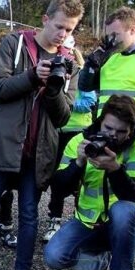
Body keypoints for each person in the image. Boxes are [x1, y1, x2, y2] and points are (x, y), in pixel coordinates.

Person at [0, 0, 84, 270]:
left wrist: (54, 89)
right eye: (58, 27)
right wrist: (32, 77)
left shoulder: (69, 63)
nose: (62, 35)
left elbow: (64, 116)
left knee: (29, 215)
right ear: (45, 19)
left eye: (69, 30)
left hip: (37, 151)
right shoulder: (14, 44)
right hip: (2, 145)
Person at [44, 95, 135, 270]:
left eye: (121, 132)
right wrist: (78, 163)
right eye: (108, 128)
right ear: (100, 121)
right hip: (89, 222)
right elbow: (58, 189)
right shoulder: (79, 141)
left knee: (124, 211)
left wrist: (114, 169)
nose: (113, 136)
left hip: (129, 223)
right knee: (54, 256)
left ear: (132, 130)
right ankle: (104, 261)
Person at [43, 36, 97, 243]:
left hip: (78, 131)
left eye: (66, 50)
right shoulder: (53, 70)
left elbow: (89, 101)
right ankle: (54, 219)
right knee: (57, 178)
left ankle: (79, 220)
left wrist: (67, 103)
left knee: (80, 177)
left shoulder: (82, 74)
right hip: (58, 130)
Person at [79, 6, 135, 132]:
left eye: (115, 35)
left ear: (132, 30)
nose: (111, 40)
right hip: (104, 129)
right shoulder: (109, 55)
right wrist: (91, 64)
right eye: (109, 36)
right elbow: (85, 86)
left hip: (130, 131)